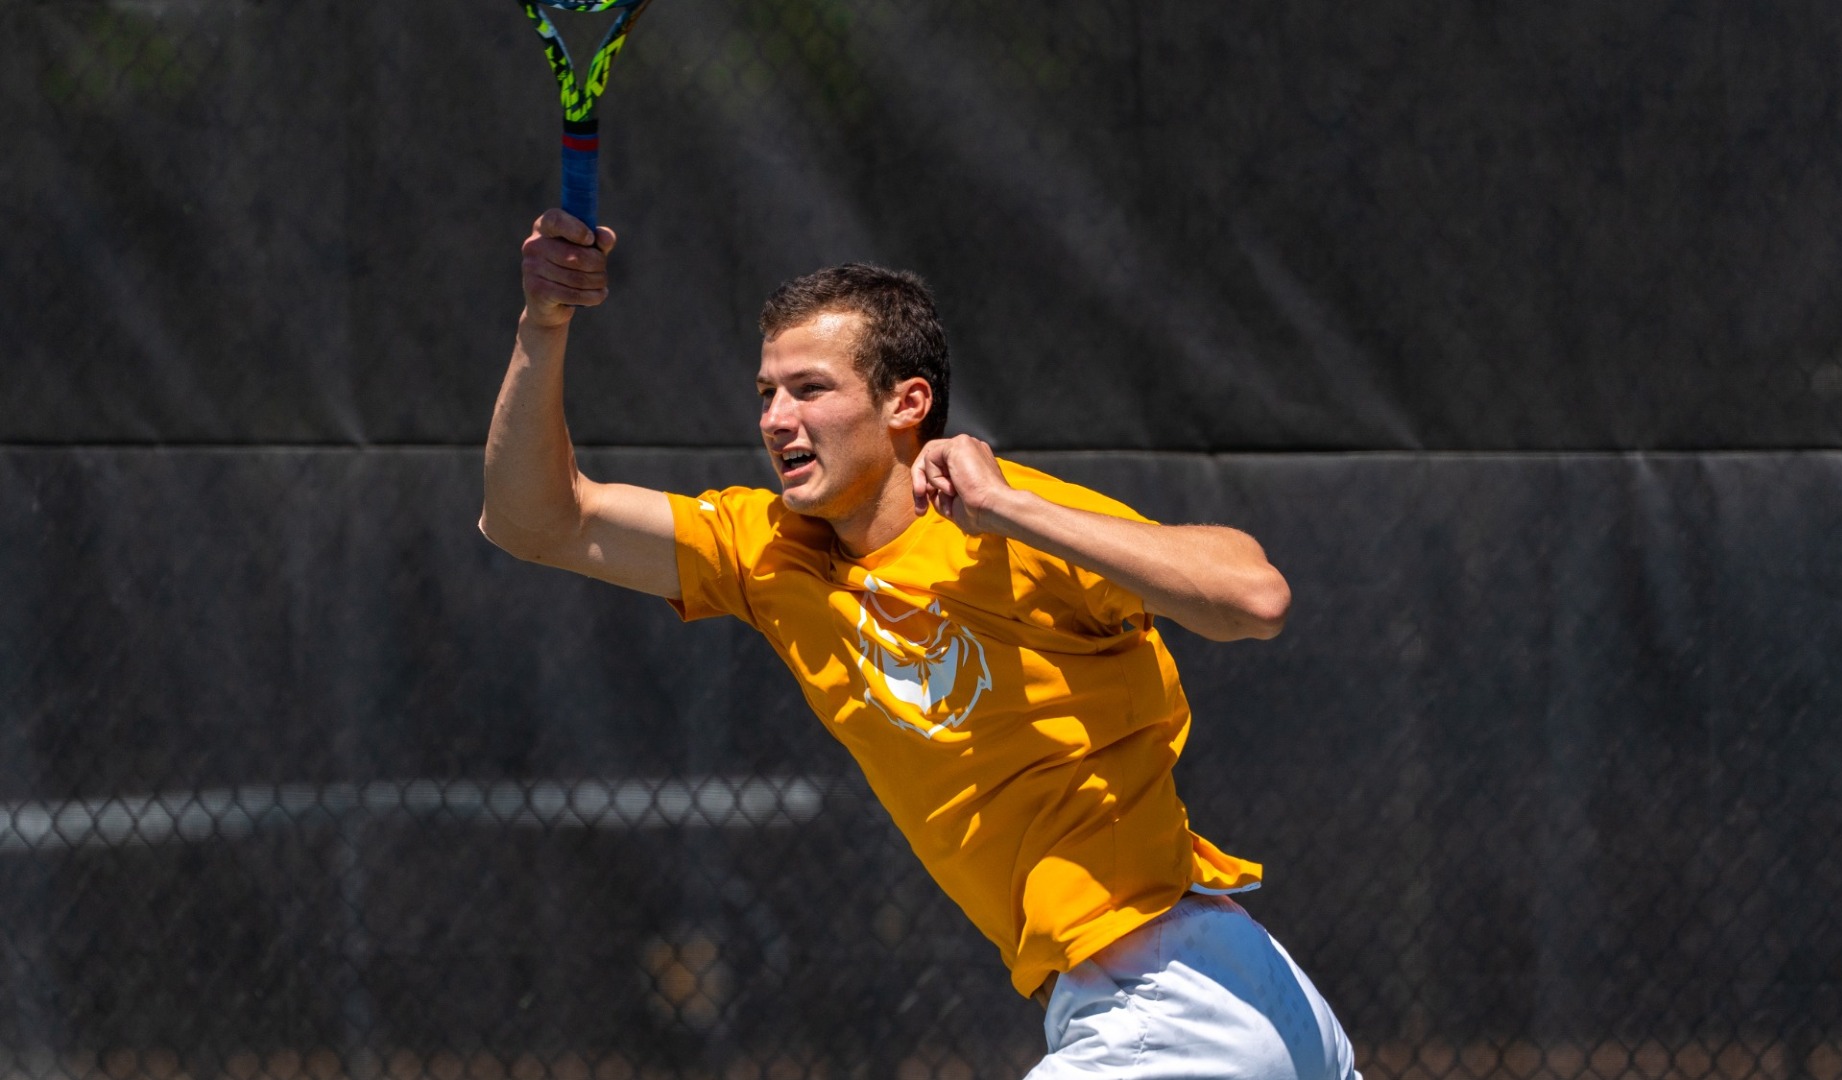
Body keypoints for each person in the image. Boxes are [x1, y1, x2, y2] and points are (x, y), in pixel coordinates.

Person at [481, 210, 1360, 1080]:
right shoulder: (763, 551)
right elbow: (535, 520)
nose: (778, 419)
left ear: (908, 404)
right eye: (766, 394)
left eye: (810, 389)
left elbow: (1255, 596)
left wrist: (1013, 507)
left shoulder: (1013, 529)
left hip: (1176, 1002)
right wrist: (543, 321)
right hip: (1205, 996)